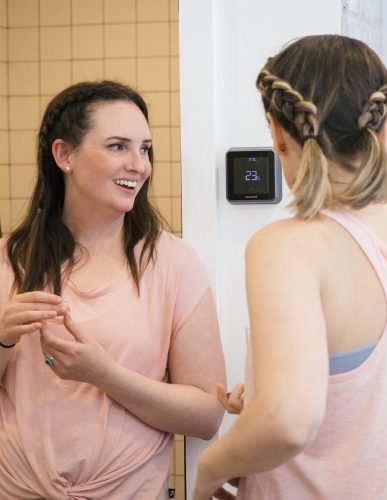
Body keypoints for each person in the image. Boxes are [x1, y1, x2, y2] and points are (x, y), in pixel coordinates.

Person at [192, 35, 387, 500]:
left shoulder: (285, 246)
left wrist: (211, 466)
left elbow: (287, 420)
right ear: (383, 128)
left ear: (277, 132)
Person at [0, 80, 225, 499]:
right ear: (64, 155)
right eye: (118, 146)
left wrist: (105, 376)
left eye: (145, 149)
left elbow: (208, 415)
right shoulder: (9, 260)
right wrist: (3, 338)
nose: (139, 165)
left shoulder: (174, 264)